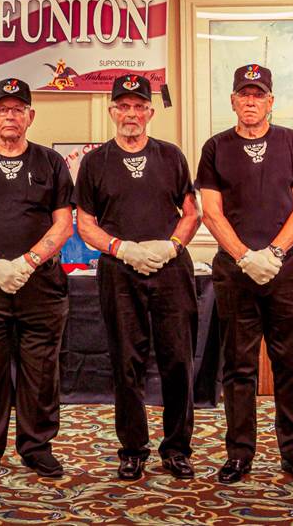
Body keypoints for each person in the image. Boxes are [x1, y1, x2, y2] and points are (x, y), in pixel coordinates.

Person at [75, 74, 201, 481]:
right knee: (125, 361)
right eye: (123, 106)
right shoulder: (95, 161)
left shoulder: (171, 155)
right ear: (112, 111)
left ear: (149, 112)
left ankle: (177, 448)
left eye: (138, 106)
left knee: (177, 359)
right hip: (120, 270)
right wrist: (121, 248)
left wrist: (171, 246)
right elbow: (85, 223)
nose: (131, 113)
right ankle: (132, 448)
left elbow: (192, 212)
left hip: (170, 269)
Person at [197, 63, 293, 484]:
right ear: (232, 100)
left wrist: (275, 252)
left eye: (258, 94)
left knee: (290, 363)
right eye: (243, 94)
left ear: (270, 101)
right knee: (238, 366)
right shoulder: (215, 147)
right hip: (235, 272)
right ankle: (239, 454)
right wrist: (246, 256)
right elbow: (210, 212)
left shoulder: (291, 143)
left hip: (285, 271)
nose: (251, 101)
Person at [0, 78, 74, 478]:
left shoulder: (51, 164)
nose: (10, 116)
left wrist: (28, 262)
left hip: (40, 288)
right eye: (3, 109)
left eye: (18, 109)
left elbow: (63, 224)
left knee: (41, 373)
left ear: (30, 117)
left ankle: (37, 447)